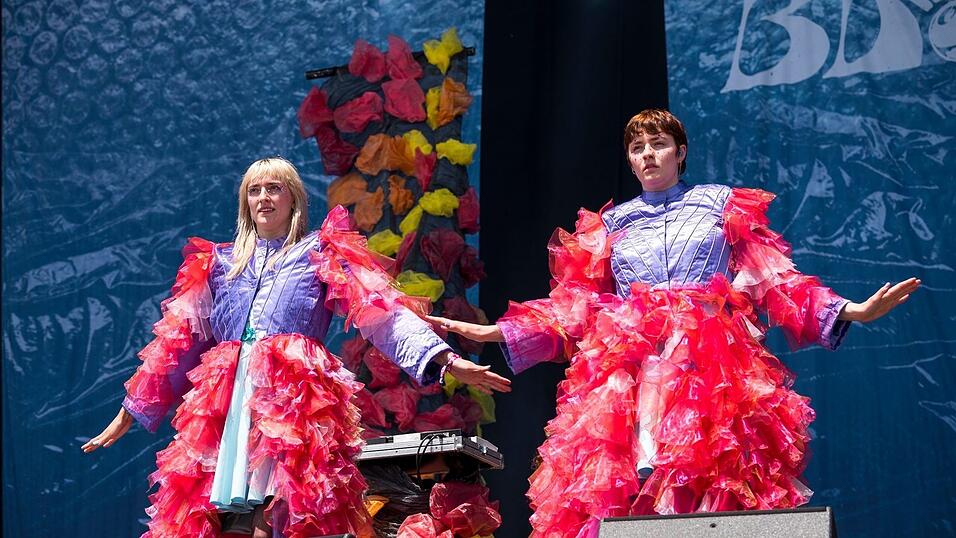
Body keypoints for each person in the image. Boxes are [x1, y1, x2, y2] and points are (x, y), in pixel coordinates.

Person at [429, 109, 919, 537]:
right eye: (637, 147)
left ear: (680, 152)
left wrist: (849, 310)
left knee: (717, 469)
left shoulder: (721, 204)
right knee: (614, 482)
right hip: (630, 362)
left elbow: (774, 279)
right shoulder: (612, 225)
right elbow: (575, 304)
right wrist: (500, 331)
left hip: (710, 356)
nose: (647, 155)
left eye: (658, 144)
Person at [82, 157, 511, 538]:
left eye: (274, 188)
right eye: (254, 190)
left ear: (293, 200)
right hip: (228, 401)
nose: (263, 198)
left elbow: (381, 313)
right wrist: (130, 412)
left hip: (292, 398)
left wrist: (444, 359)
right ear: (244, 202)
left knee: (283, 509)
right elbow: (176, 342)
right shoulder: (218, 265)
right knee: (216, 512)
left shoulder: (319, 253)